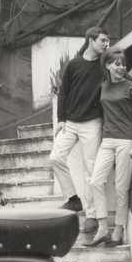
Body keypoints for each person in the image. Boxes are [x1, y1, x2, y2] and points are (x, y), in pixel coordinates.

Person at [87, 47, 132, 247]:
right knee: (96, 181)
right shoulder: (103, 87)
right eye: (117, 64)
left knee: (121, 187)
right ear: (107, 65)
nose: (121, 67)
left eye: (124, 64)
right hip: (107, 140)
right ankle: (102, 228)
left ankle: (118, 230)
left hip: (127, 139)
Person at [49, 26, 110, 235]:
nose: (106, 44)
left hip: (92, 122)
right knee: (56, 157)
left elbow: (124, 77)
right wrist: (61, 119)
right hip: (71, 122)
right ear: (91, 40)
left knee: (91, 171)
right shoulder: (74, 64)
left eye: (107, 41)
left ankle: (91, 216)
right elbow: (63, 92)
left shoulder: (104, 66)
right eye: (102, 40)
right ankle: (73, 199)